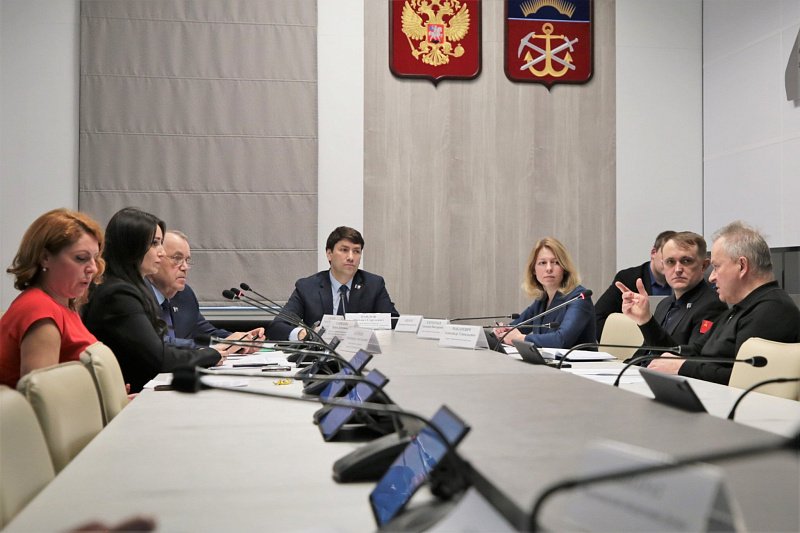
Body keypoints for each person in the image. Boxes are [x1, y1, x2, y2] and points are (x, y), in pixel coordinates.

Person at [617, 221, 800, 384]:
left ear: (742, 266)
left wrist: (681, 367)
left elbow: (745, 378)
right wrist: (663, 353)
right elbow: (695, 350)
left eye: (717, 267)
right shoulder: (739, 309)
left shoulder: (773, 310)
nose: (711, 277)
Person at [81, 208, 223, 392]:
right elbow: (158, 358)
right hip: (133, 396)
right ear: (132, 246)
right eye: (155, 243)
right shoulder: (118, 295)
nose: (162, 253)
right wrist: (211, 354)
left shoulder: (134, 288)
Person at [1, 209, 104, 388]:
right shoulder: (40, 310)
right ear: (45, 258)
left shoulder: (62, 305)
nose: (93, 268)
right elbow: (41, 397)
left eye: (95, 258)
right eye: (81, 258)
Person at [267, 226, 399, 341]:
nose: (351, 257)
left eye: (356, 251)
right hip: (320, 357)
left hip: (361, 355)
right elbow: (277, 327)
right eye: (344, 250)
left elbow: (393, 323)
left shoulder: (373, 285)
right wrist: (306, 334)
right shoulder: (307, 287)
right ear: (329, 254)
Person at [147, 230, 264, 350]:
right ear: (155, 259)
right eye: (177, 258)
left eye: (187, 260)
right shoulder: (139, 296)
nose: (185, 267)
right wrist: (218, 346)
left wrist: (242, 340)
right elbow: (158, 343)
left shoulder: (185, 294)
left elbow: (206, 332)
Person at [628, 232, 728, 359]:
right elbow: (646, 351)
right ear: (663, 266)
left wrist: (646, 321)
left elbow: (688, 360)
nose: (678, 269)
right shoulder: (664, 304)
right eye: (670, 262)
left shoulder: (712, 306)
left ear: (704, 266)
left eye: (686, 261)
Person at [493, 237, 596, 348]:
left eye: (555, 262)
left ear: (564, 268)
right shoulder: (542, 300)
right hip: (547, 359)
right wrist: (502, 331)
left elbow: (561, 340)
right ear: (533, 270)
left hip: (576, 359)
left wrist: (521, 338)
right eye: (542, 263)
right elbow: (516, 328)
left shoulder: (579, 298)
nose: (549, 268)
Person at [594, 230, 676, 338]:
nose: (674, 265)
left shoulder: (684, 282)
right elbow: (597, 317)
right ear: (653, 253)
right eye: (667, 258)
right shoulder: (628, 278)